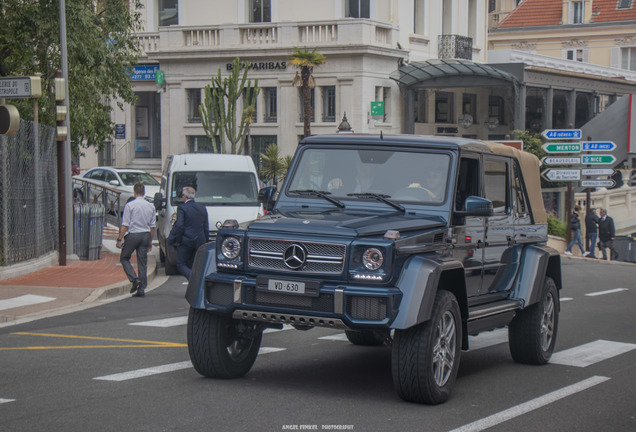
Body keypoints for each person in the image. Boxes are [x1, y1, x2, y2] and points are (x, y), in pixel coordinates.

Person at [117, 182, 156, 297]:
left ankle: (134, 279)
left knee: (124, 257)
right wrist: (150, 241)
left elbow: (125, 225)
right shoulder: (150, 206)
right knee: (142, 262)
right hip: (145, 234)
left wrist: (119, 239)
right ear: (144, 193)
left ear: (134, 192)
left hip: (133, 234)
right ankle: (142, 289)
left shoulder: (130, 205)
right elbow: (152, 227)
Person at [167, 186, 209, 279]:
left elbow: (180, 225)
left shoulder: (182, 208)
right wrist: (206, 241)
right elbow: (206, 227)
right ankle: (194, 284)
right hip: (199, 240)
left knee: (181, 264)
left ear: (184, 196)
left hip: (186, 240)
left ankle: (192, 279)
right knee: (195, 264)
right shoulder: (202, 208)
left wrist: (178, 240)